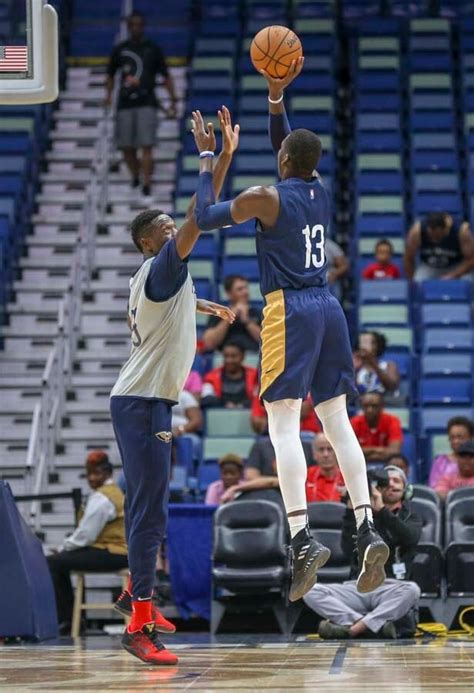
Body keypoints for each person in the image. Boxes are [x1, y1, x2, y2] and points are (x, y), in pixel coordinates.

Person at [192, 59, 388, 603]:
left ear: (282, 161)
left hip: (288, 309)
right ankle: (366, 524)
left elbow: (204, 217)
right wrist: (276, 98)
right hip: (330, 306)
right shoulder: (319, 188)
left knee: (281, 424)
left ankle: (301, 537)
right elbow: (291, 145)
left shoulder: (264, 196)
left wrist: (211, 156)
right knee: (334, 418)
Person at [109, 107, 239, 665]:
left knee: (151, 505)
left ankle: (130, 594)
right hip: (142, 404)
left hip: (145, 400)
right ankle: (139, 624)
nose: (174, 229)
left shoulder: (165, 277)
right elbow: (200, 216)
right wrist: (210, 156)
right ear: (149, 243)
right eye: (163, 229)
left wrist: (227, 156)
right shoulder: (162, 267)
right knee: (148, 512)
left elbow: (196, 221)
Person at [304, 465, 422, 639]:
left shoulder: (411, 516)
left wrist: (382, 511)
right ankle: (366, 624)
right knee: (309, 590)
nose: (391, 485)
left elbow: (409, 538)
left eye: (396, 480)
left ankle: (352, 629)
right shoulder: (361, 515)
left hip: (391, 587)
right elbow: (347, 550)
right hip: (358, 586)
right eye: (385, 481)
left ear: (407, 489)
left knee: (412, 590)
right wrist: (352, 510)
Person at [47, 451, 128, 635]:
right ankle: (71, 618)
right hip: (118, 551)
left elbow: (86, 535)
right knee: (61, 561)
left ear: (107, 473)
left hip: (113, 552)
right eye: (89, 473)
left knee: (52, 563)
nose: (92, 478)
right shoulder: (114, 492)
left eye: (96, 473)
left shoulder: (102, 498)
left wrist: (62, 548)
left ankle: (67, 619)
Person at [105, 11, 178, 203]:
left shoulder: (153, 49)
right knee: (126, 146)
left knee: (147, 145)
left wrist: (173, 100)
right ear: (128, 27)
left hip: (147, 102)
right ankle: (136, 175)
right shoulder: (120, 49)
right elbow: (111, 75)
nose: (136, 28)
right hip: (125, 103)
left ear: (143, 26)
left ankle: (146, 182)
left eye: (139, 24)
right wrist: (107, 97)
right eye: (133, 25)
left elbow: (166, 75)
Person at [404, 212, 474, 281]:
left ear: (445, 229)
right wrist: (412, 282)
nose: (434, 240)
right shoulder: (417, 231)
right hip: (429, 266)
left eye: (437, 237)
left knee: (468, 282)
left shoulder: (462, 232)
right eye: (431, 236)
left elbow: (471, 259)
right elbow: (408, 257)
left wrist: (454, 275)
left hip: (456, 266)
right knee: (418, 282)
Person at [202, 274, 261, 352]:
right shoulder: (218, 312)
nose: (245, 292)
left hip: (252, 358)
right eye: (240, 289)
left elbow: (266, 340)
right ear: (229, 294)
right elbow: (209, 343)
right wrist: (229, 316)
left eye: (246, 288)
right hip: (224, 359)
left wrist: (247, 321)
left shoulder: (257, 312)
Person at [350, 392, 403, 464]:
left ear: (382, 407)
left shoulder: (392, 421)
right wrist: (378, 450)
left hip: (386, 464)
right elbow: (350, 451)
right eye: (366, 406)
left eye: (374, 406)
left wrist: (365, 453)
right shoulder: (354, 422)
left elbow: (394, 451)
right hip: (359, 464)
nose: (370, 410)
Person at [201, 342, 257, 408]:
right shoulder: (211, 376)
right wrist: (225, 404)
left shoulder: (255, 375)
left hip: (249, 414)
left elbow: (258, 399)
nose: (229, 360)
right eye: (226, 356)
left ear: (242, 356)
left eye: (233, 356)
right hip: (221, 414)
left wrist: (241, 406)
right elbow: (206, 399)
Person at [428, 416, 474, 488]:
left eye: (460, 437)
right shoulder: (440, 462)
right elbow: (434, 490)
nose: (456, 441)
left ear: (471, 437)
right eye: (452, 437)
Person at [250, 392, 322, 436]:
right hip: (275, 434)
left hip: (311, 436)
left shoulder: (307, 386)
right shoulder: (265, 391)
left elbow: (304, 409)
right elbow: (257, 424)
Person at [353, 331, 400, 396]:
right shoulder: (355, 366)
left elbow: (391, 387)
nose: (365, 347)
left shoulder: (389, 365)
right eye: (363, 342)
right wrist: (354, 369)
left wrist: (374, 364)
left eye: (371, 343)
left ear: (378, 346)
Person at [306, 434, 345, 503]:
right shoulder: (305, 475)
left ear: (337, 452)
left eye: (330, 449)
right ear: (314, 454)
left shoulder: (347, 478)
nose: (325, 454)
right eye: (321, 450)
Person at [325, 236, 349, 301]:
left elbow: (344, 265)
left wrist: (335, 273)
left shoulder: (330, 244)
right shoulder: (302, 244)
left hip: (329, 280)